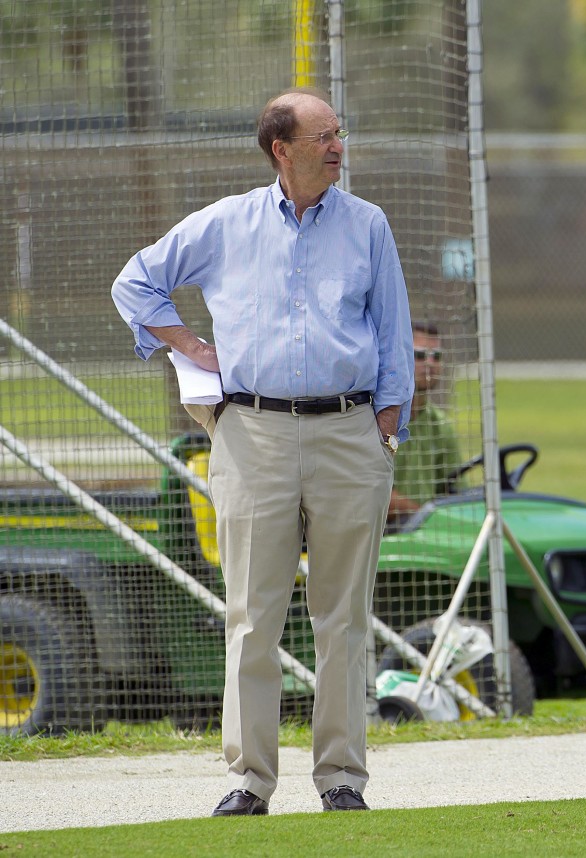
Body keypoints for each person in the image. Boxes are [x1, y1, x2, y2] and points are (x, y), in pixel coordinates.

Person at [111, 88, 414, 816]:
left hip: (350, 435)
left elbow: (393, 334)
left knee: (342, 615)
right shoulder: (225, 222)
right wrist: (185, 343)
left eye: (340, 133)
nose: (338, 146)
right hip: (252, 436)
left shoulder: (368, 224)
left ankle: (342, 777)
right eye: (324, 136)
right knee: (252, 614)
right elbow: (135, 282)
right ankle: (250, 781)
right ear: (282, 149)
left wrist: (386, 434)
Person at [387, 322, 462, 527]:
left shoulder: (441, 425)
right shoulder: (378, 418)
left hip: (427, 534)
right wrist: (422, 516)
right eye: (420, 355)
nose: (429, 363)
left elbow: (457, 491)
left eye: (436, 356)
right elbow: (369, 493)